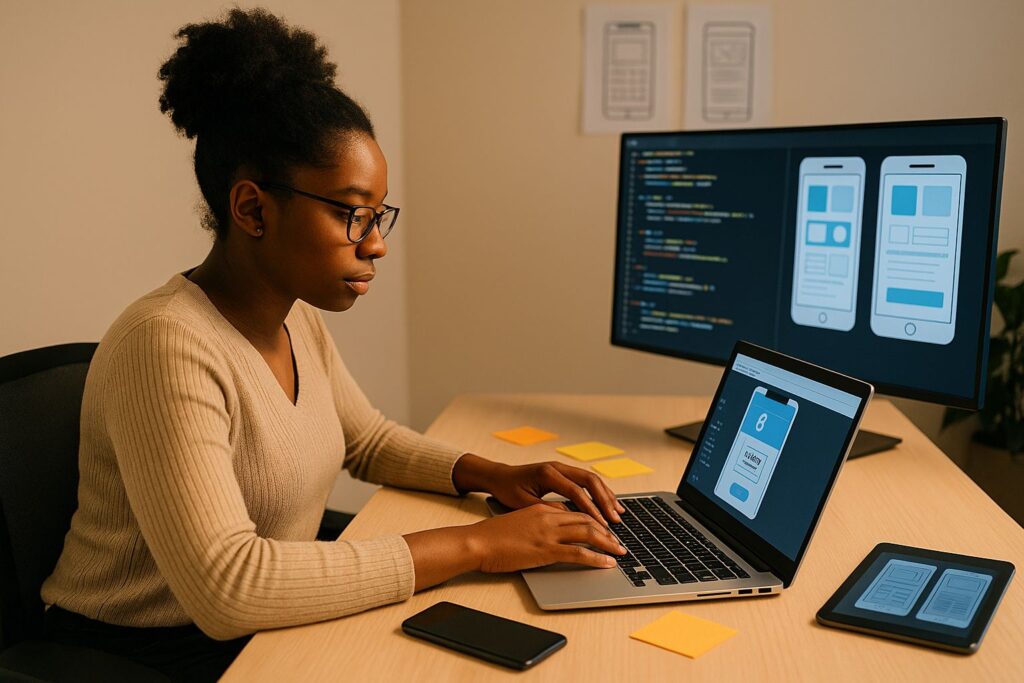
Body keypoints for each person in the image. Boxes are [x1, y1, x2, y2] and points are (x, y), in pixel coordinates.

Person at [39, 8, 626, 681]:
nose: (375, 242)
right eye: (352, 213)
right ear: (253, 209)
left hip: (254, 625)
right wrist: (476, 542)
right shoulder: (165, 344)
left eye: (378, 216)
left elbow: (367, 440)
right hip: (143, 651)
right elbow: (228, 588)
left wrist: (492, 474)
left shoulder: (295, 318)